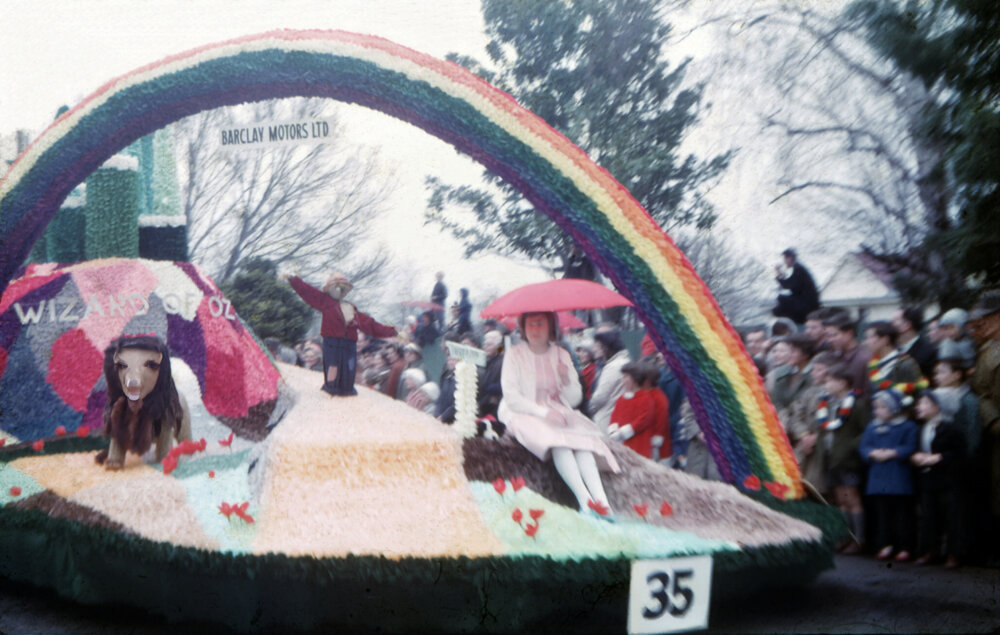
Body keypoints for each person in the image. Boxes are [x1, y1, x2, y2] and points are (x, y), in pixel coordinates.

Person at [498, 311, 620, 517]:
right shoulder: (514, 354)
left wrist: (566, 379)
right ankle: (585, 501)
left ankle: (603, 503)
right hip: (524, 411)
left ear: (550, 327)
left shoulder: (561, 354)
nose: (535, 329)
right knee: (559, 444)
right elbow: (512, 397)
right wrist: (543, 412)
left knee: (582, 445)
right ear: (523, 328)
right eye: (530, 325)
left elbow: (574, 399)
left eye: (540, 324)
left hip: (559, 409)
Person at [284, 272, 396, 396]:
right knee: (333, 366)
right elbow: (308, 292)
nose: (340, 290)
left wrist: (391, 331)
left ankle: (347, 388)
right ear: (329, 289)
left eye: (343, 288)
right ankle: (331, 388)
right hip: (332, 342)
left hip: (349, 343)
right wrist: (293, 280)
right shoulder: (325, 301)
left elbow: (369, 324)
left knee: (349, 366)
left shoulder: (350, 307)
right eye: (337, 287)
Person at [858, 389, 919, 561]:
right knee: (882, 513)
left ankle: (904, 546)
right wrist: (872, 453)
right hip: (878, 476)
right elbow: (864, 447)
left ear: (894, 408)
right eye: (876, 407)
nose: (877, 411)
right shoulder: (872, 426)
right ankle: (885, 544)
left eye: (882, 407)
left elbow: (910, 446)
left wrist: (894, 452)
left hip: (898, 475)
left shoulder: (907, 426)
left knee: (901, 513)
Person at [911, 389, 966, 567]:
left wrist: (940, 457)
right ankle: (928, 550)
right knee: (928, 516)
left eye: (925, 403)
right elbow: (919, 449)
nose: (919, 406)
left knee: (951, 516)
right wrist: (916, 456)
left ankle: (953, 553)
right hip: (928, 479)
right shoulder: (922, 428)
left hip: (947, 479)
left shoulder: (951, 429)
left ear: (938, 407)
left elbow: (959, 453)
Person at [817, 363, 868, 553]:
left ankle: (858, 539)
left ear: (842, 383)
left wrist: (850, 447)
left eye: (830, 381)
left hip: (847, 459)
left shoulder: (856, 404)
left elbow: (865, 430)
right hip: (831, 457)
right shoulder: (827, 403)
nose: (826, 384)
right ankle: (844, 537)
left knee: (852, 498)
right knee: (840, 499)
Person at [967, 290, 1000, 565]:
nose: (982, 322)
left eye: (988, 317)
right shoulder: (988, 350)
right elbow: (981, 391)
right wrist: (993, 421)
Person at [607, 362, 659, 460]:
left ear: (635, 379)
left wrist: (623, 432)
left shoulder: (646, 398)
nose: (623, 380)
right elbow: (614, 417)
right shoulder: (622, 399)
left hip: (639, 444)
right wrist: (613, 430)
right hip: (622, 443)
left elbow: (643, 420)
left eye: (626, 377)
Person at [863, 320, 926, 399]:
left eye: (870, 337)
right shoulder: (873, 364)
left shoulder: (905, 364)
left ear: (885, 339)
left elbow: (917, 395)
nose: (866, 342)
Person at [587, 329, 631, 431]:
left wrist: (589, 409)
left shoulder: (613, 367)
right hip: (618, 418)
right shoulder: (625, 361)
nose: (594, 349)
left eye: (597, 345)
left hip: (607, 420)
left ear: (606, 347)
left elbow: (600, 397)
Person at [765, 334, 814, 424]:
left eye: (793, 351)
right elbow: (776, 401)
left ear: (805, 355)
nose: (789, 354)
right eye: (789, 350)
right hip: (782, 422)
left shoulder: (813, 376)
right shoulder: (782, 373)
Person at [824, 312, 872, 403]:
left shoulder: (864, 359)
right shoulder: (833, 356)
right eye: (828, 336)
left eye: (834, 335)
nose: (830, 340)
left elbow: (867, 394)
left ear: (850, 333)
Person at [773, 248, 820, 325]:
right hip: (804, 303)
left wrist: (779, 274)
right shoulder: (798, 268)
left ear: (790, 258)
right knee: (780, 302)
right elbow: (789, 283)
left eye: (785, 258)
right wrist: (779, 274)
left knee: (781, 301)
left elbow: (791, 286)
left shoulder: (799, 269)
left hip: (807, 305)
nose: (784, 261)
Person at [892, 306, 937, 378]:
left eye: (895, 320)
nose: (890, 324)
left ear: (907, 325)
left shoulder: (928, 352)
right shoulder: (891, 349)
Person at [477, 330, 505, 419]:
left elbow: (504, 384)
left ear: (497, 347)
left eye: (489, 345)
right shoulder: (488, 361)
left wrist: (491, 389)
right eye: (484, 344)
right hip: (485, 402)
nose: (485, 347)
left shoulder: (502, 361)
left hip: (495, 406)